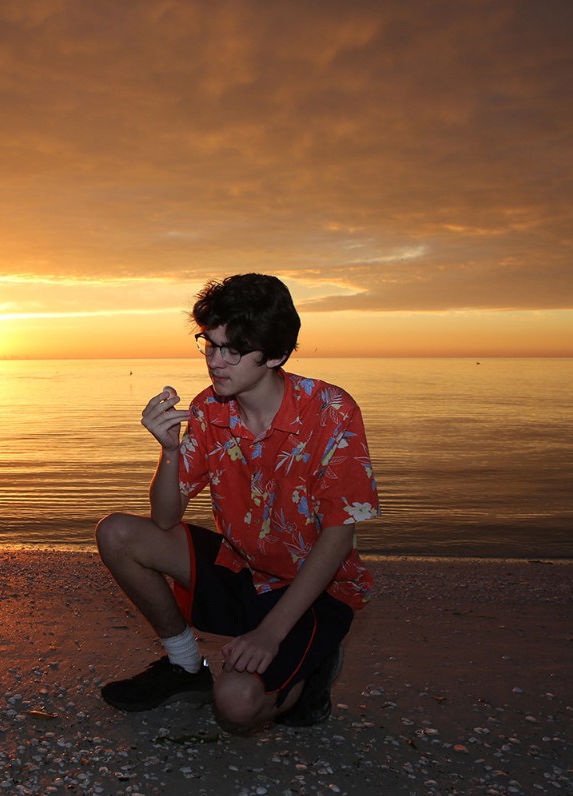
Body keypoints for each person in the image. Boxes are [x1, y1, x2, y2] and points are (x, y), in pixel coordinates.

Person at [95, 273, 379, 734]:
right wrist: (169, 451)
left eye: (232, 350)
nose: (215, 361)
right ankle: (185, 666)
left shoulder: (332, 411)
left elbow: (338, 535)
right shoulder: (209, 409)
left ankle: (314, 671)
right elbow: (165, 518)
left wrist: (271, 633)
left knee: (236, 707)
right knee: (116, 533)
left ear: (276, 354)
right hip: (242, 570)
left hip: (313, 589)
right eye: (210, 345)